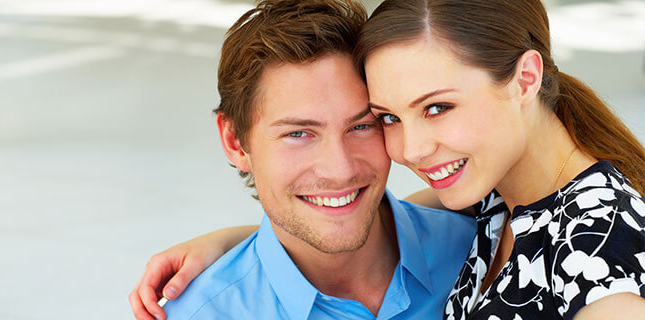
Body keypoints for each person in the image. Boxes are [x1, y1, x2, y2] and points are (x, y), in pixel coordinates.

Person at [133, 0, 645, 319]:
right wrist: (231, 248)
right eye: (389, 118)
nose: (414, 150)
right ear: (235, 142)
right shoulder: (493, 205)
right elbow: (350, 213)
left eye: (362, 124)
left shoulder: (601, 248)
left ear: (526, 80)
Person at [129, 1, 479, 319]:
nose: (340, 170)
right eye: (298, 134)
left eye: (361, 126)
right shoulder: (202, 314)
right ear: (235, 142)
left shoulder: (482, 250)